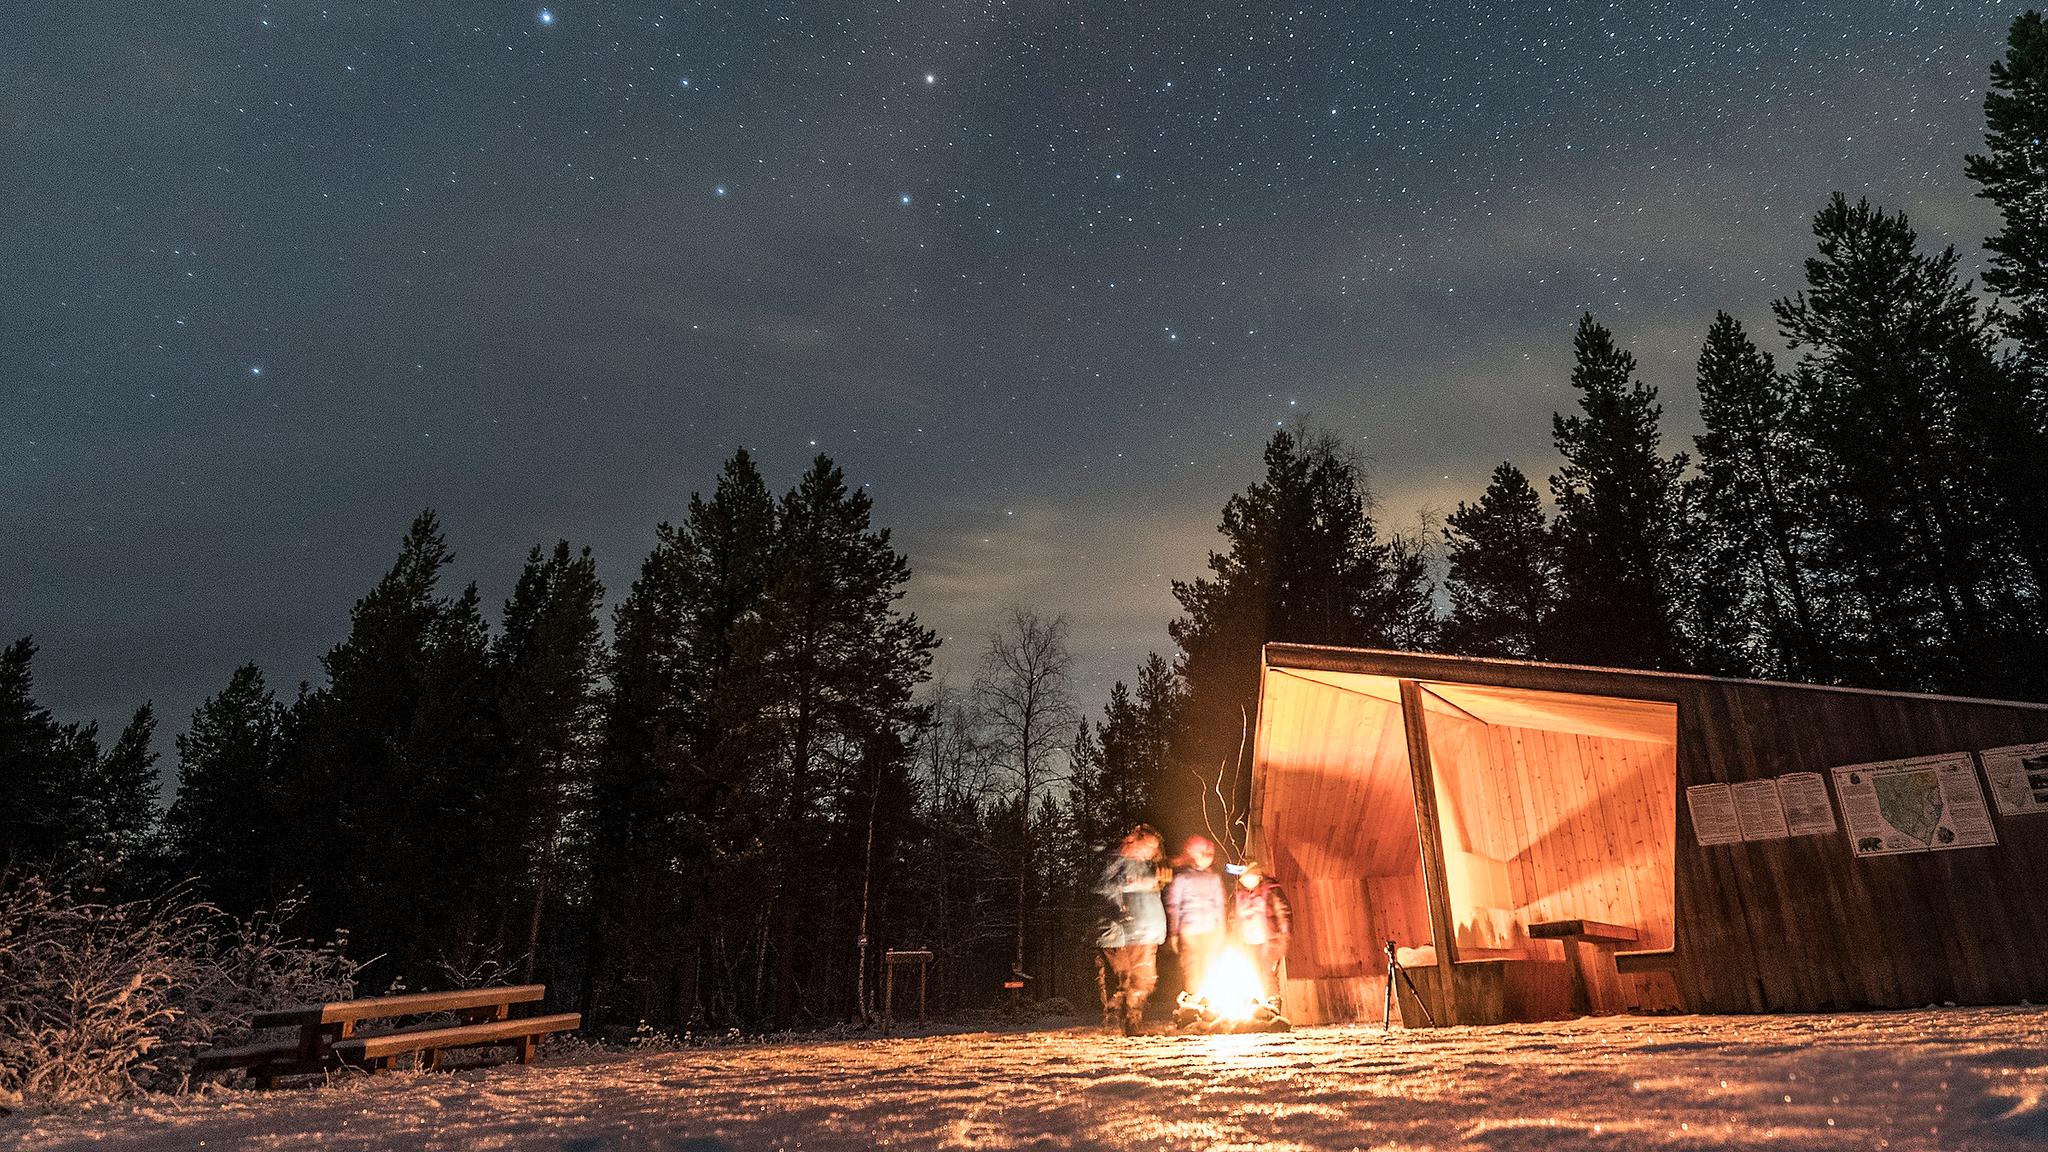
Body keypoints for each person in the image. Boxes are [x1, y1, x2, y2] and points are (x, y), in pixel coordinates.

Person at [1094, 824, 1168, 1035]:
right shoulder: (1120, 862)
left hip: (1148, 930)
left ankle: (1128, 1022)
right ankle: (1124, 1024)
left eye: (1153, 849)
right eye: (1148, 847)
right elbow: (1110, 888)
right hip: (1135, 931)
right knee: (1134, 980)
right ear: (1135, 842)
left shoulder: (1145, 866)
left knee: (1143, 980)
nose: (1151, 853)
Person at [1164, 835, 1227, 998]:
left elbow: (1220, 906)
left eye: (1209, 855)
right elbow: (1174, 907)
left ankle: (1210, 1000)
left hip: (1209, 929)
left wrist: (1221, 930)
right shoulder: (1182, 878)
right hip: (1190, 930)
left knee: (1209, 965)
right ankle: (1194, 1001)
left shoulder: (1213, 878)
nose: (1207, 858)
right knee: (1192, 966)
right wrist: (1173, 933)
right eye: (1204, 854)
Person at [1232, 861, 1293, 1005]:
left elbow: (1283, 911)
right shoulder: (1240, 894)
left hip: (1269, 938)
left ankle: (1272, 1003)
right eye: (1244, 877)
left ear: (1258, 876)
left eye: (1251, 876)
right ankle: (1256, 1004)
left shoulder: (1271, 890)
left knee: (1267, 973)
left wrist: (1284, 933)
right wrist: (1235, 937)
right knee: (1250, 971)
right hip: (1248, 940)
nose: (1247, 880)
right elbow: (1235, 917)